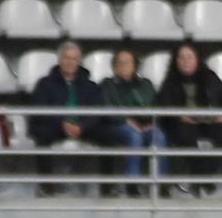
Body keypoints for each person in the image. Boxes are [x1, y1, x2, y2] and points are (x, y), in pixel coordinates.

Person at [155, 41, 222, 184]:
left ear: (197, 59)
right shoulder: (170, 81)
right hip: (183, 124)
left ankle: (201, 175)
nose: (185, 61)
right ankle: (203, 179)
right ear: (176, 61)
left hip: (210, 121)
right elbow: (164, 105)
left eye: (189, 57)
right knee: (183, 134)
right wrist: (179, 116)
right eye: (181, 57)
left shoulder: (210, 77)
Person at [28, 40, 96, 190]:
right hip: (55, 126)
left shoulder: (90, 86)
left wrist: (82, 126)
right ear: (59, 60)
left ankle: (106, 188)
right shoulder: (44, 84)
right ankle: (46, 187)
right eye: (66, 58)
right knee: (42, 136)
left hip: (82, 127)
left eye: (74, 58)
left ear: (79, 61)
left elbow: (97, 112)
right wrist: (62, 123)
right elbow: (41, 110)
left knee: (108, 134)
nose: (70, 62)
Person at [103, 49, 165, 187]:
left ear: (135, 65)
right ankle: (133, 183)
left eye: (127, 62)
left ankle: (160, 184)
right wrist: (125, 121)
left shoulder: (146, 84)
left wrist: (151, 122)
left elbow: (156, 107)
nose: (123, 65)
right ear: (114, 66)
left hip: (145, 125)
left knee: (158, 136)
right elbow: (106, 109)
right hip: (119, 125)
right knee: (134, 135)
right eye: (120, 62)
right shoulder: (107, 84)